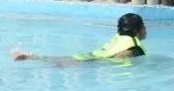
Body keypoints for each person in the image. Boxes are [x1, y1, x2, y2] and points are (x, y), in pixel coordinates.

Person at [12, 13, 147, 63]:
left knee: (55, 60)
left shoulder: (119, 37)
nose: (146, 30)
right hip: (90, 62)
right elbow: (117, 58)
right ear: (138, 30)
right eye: (144, 26)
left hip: (86, 57)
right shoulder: (134, 48)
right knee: (60, 62)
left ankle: (33, 57)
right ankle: (33, 58)